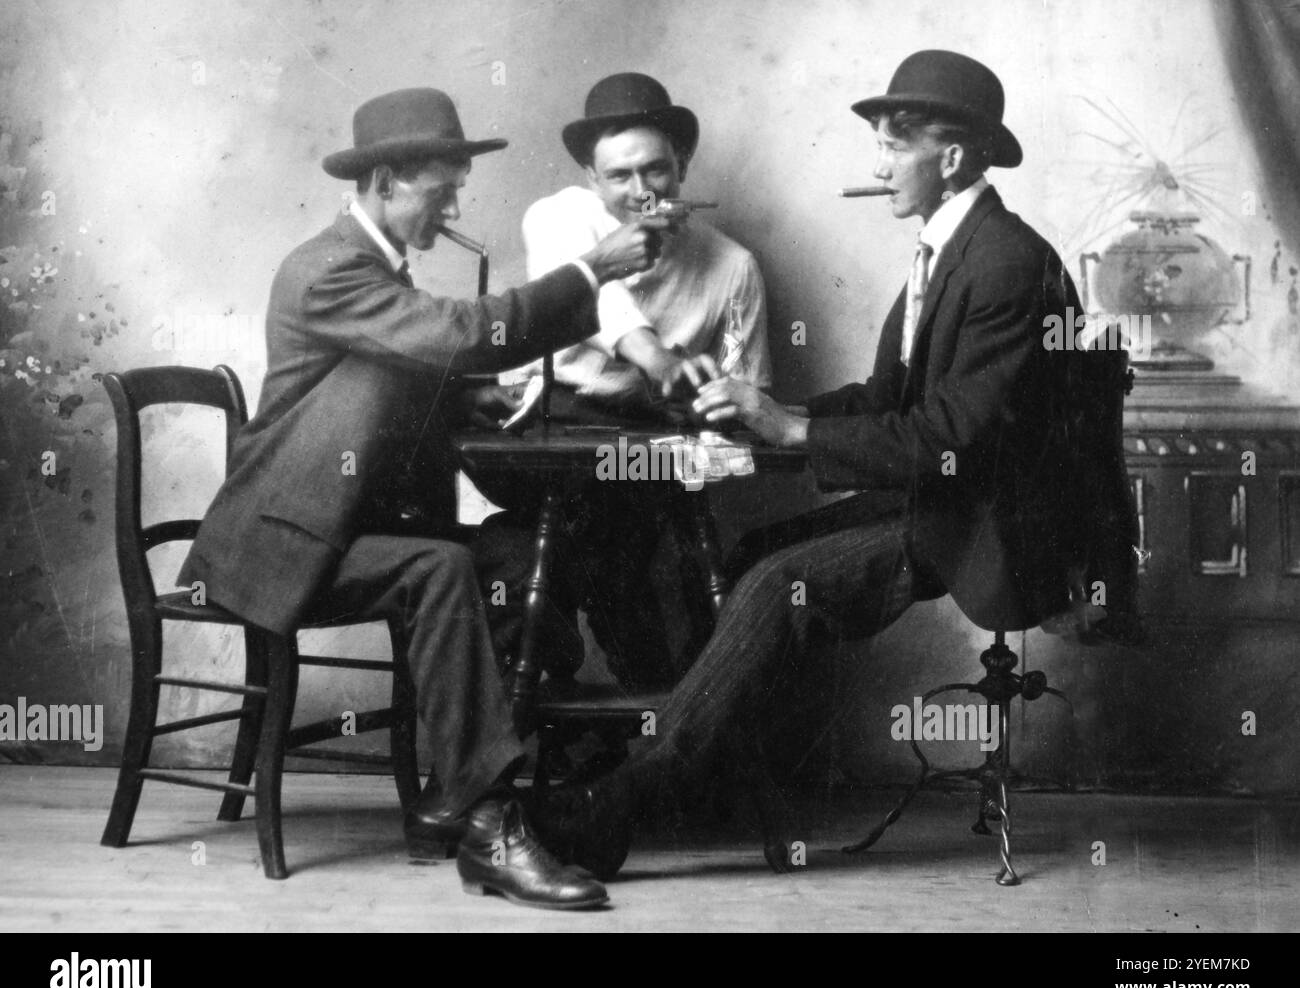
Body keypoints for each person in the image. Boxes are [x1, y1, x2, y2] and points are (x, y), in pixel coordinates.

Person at [537, 51, 1139, 879]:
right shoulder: (948, 249)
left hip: (988, 524)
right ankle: (713, 773)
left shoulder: (1005, 263)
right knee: (753, 559)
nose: (879, 165)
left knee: (770, 588)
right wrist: (765, 418)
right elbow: (886, 396)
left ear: (953, 159)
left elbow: (951, 438)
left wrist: (788, 430)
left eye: (895, 146)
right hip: (941, 500)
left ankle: (626, 804)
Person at [177, 87, 670, 909]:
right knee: (442, 569)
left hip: (343, 530)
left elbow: (378, 384)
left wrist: (463, 404)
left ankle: (454, 792)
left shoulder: (371, 271)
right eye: (441, 191)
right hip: (282, 544)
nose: (451, 208)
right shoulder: (327, 268)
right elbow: (456, 335)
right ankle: (491, 827)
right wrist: (591, 271)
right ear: (389, 182)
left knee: (513, 554)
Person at [473, 73, 772, 693]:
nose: (642, 192)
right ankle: (623, 717)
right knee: (637, 551)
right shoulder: (559, 217)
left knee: (563, 554)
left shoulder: (733, 266)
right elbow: (602, 303)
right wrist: (659, 363)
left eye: (656, 170)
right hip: (541, 436)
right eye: (619, 176)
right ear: (591, 178)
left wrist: (712, 400)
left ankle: (622, 741)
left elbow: (747, 402)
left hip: (643, 452)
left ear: (683, 166)